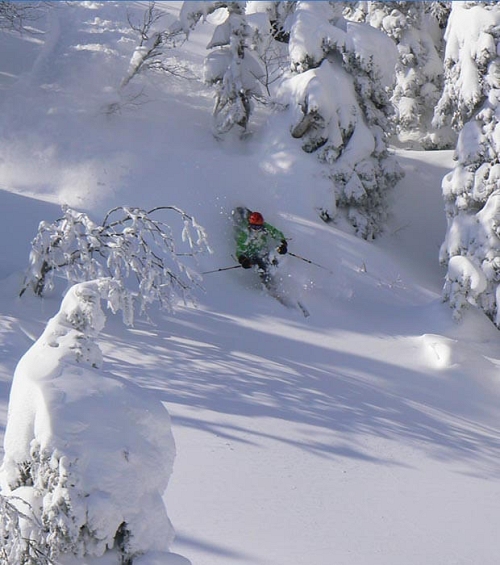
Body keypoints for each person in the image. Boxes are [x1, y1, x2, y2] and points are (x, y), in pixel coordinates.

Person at [235, 210, 288, 284]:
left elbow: (275, 233)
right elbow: (239, 250)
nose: (256, 229)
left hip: (262, 250)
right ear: (249, 225)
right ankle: (269, 285)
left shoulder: (264, 227)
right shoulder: (244, 233)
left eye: (258, 227)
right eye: (254, 226)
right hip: (250, 253)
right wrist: (243, 259)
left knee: (273, 261)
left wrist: (283, 243)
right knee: (261, 267)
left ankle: (276, 280)